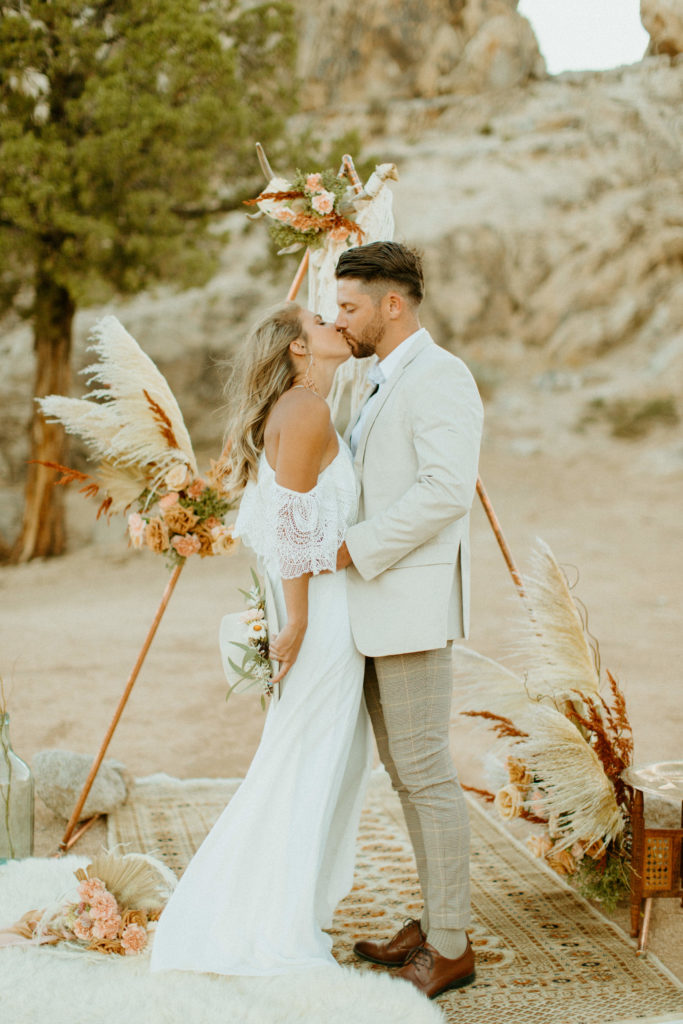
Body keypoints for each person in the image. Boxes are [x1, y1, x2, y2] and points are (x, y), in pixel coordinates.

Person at [150, 303, 372, 976]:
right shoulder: (304, 411)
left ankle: (281, 907)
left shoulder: (299, 407)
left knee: (307, 755)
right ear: (298, 350)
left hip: (317, 605)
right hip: (323, 614)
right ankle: (269, 922)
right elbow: (295, 525)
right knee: (305, 759)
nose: (335, 321)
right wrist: (298, 619)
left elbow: (287, 522)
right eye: (319, 321)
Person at [334, 241, 484, 999]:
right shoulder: (372, 380)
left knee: (426, 777)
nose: (341, 320)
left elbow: (446, 489)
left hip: (411, 606)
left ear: (393, 304)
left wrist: (350, 548)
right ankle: (433, 918)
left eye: (351, 306)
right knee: (405, 775)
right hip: (376, 608)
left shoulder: (440, 375)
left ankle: (452, 946)